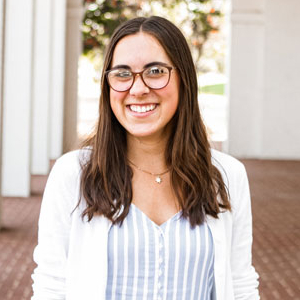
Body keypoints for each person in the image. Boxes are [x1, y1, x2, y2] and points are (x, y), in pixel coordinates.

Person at [31, 16, 260, 300]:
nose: (138, 89)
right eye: (122, 74)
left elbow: (240, 284)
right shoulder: (74, 174)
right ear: (108, 85)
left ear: (184, 78)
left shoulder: (226, 176)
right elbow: (51, 286)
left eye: (155, 71)